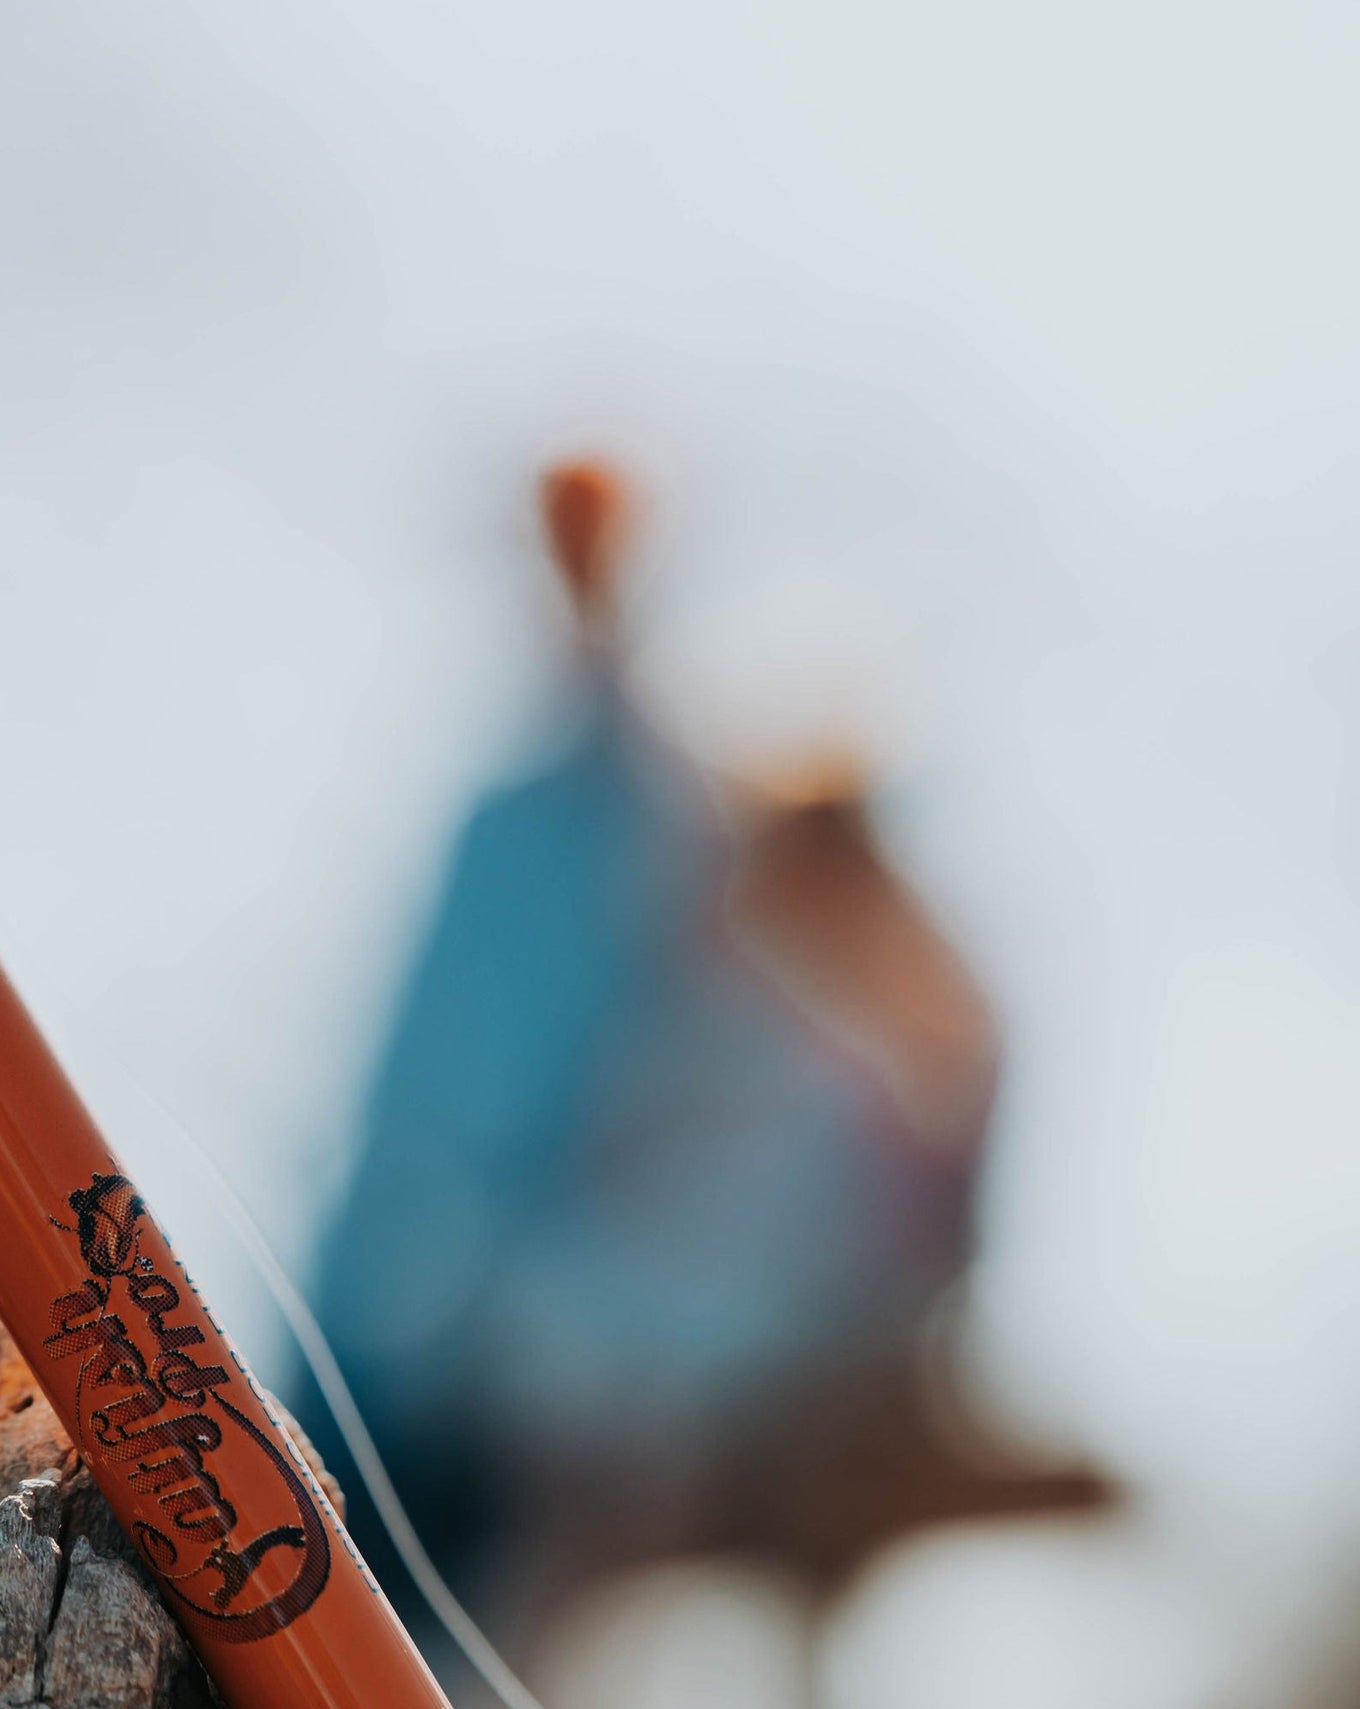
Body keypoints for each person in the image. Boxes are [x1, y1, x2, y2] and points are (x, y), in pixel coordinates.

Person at [294, 460, 1103, 1633]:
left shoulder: (902, 1029)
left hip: (639, 1405)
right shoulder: (743, 967)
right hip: (541, 1384)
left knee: (445, 1536)